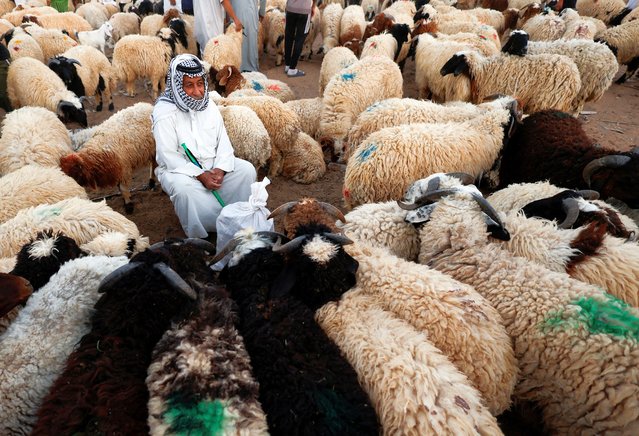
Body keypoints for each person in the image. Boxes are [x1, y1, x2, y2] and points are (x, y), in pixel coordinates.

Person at [152, 54, 256, 239]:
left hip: (214, 165)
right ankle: (202, 236)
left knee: (246, 171)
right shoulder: (164, 113)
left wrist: (220, 168)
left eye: (200, 83)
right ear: (177, 85)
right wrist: (200, 175)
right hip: (182, 171)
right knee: (185, 191)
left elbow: (223, 141)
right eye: (189, 85)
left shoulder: (209, 106)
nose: (198, 91)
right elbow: (167, 156)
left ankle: (235, 219)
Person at [230, 0, 267, 72]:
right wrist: (262, 12)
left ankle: (238, 68)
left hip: (234, 13)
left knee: (237, 40)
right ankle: (250, 68)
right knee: (250, 41)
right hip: (250, 13)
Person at [284, 0, 314, 77]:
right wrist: (313, 7)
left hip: (290, 9)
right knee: (300, 38)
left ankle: (287, 65)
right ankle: (292, 69)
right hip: (304, 10)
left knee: (288, 37)